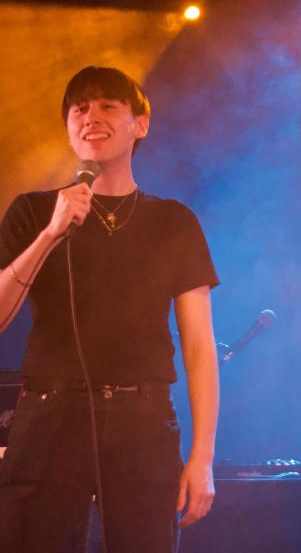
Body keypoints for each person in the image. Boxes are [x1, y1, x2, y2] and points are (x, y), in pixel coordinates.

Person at [0, 66, 220, 552]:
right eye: (79, 108)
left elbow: (199, 345)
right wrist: (50, 235)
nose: (90, 117)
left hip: (141, 420)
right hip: (50, 416)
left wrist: (203, 456)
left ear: (139, 124)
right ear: (67, 127)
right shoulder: (34, 211)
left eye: (107, 106)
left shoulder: (173, 221)